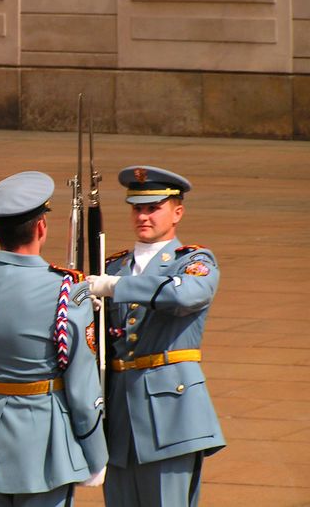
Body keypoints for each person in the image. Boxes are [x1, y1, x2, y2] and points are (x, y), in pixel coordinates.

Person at [0, 171, 108, 506]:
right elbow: (81, 382)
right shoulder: (65, 291)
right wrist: (95, 450)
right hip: (41, 441)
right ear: (41, 228)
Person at [87, 165, 225, 507]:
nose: (143, 216)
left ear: (177, 212)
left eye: (153, 208)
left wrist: (115, 287)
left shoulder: (193, 261)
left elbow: (183, 296)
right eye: (137, 207)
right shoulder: (114, 265)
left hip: (171, 413)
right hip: (120, 413)